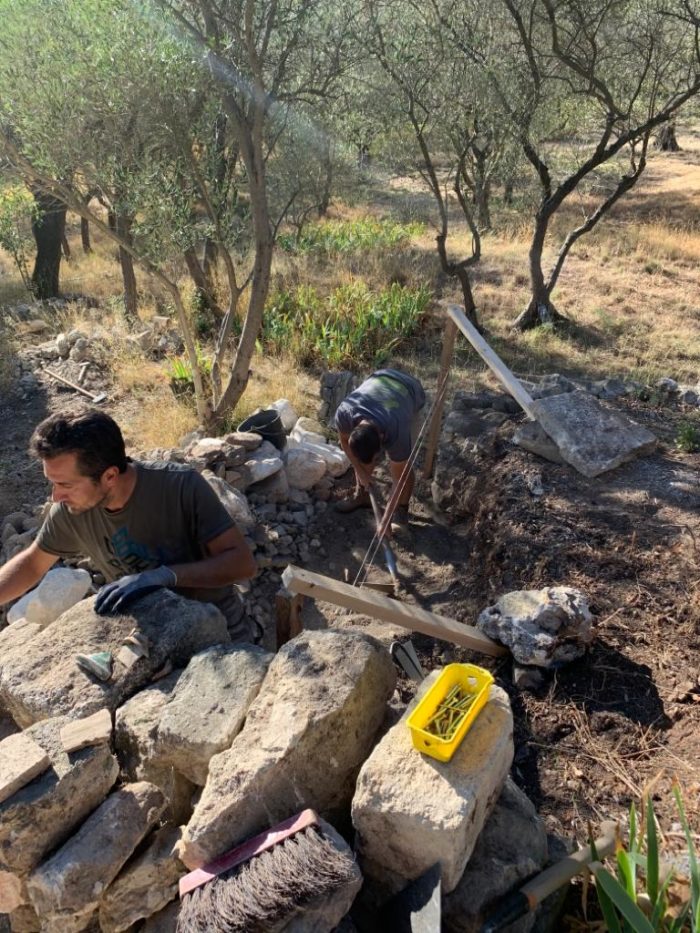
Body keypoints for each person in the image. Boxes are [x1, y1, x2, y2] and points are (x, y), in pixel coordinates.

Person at [0, 410, 258, 643]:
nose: (55, 496)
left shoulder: (179, 488)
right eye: (52, 483)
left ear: (110, 476)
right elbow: (33, 564)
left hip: (219, 637)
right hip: (147, 639)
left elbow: (242, 563)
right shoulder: (71, 510)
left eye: (65, 485)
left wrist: (165, 575)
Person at [334, 368, 425, 532]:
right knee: (364, 458)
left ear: (383, 438)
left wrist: (386, 518)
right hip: (381, 378)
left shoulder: (397, 429)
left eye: (376, 457)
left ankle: (401, 511)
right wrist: (361, 472)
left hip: (409, 392)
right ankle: (362, 495)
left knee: (402, 466)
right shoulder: (345, 413)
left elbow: (400, 479)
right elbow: (344, 442)